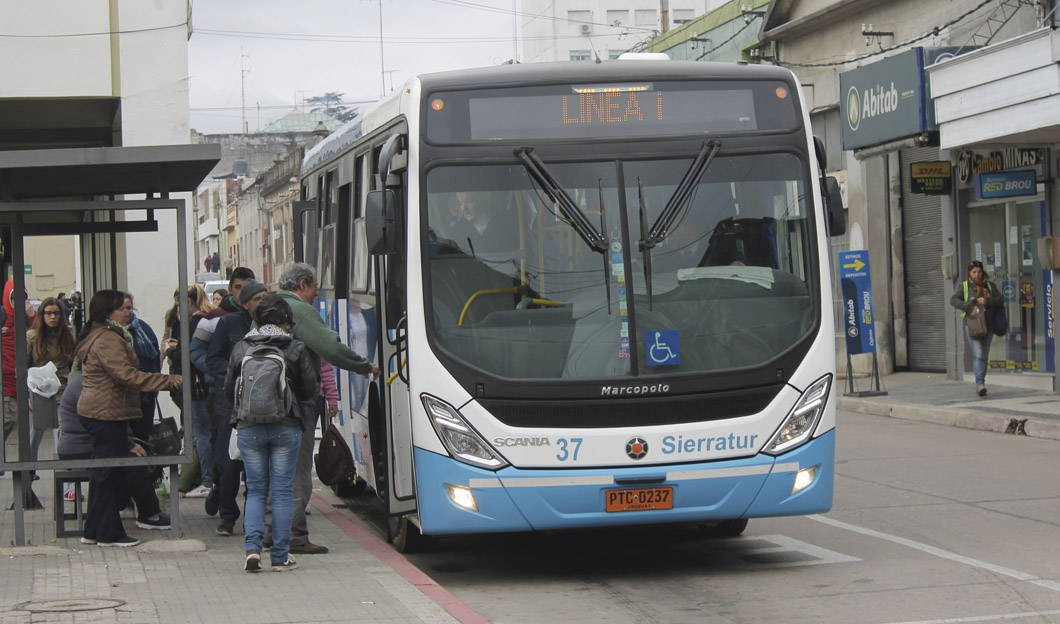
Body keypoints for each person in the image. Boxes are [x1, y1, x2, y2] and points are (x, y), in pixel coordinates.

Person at [275, 263, 379, 555]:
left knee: (276, 473)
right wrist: (364, 366)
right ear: (303, 284)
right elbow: (330, 349)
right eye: (314, 286)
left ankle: (271, 532)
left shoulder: (269, 308)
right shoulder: (301, 311)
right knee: (298, 472)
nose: (317, 293)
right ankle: (295, 536)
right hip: (297, 404)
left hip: (267, 405)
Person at [74, 290, 181, 547]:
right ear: (107, 313)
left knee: (106, 473)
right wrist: (169, 381)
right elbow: (127, 375)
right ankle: (109, 534)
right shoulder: (107, 339)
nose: (129, 312)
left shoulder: (107, 334)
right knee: (108, 474)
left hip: (106, 412)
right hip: (104, 413)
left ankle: (93, 531)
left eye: (131, 308)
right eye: (123, 308)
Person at [224, 294, 317, 572]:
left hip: (249, 426)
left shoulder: (242, 348)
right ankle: (280, 556)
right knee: (282, 491)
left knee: (255, 490)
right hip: (286, 427)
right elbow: (310, 390)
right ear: (286, 322)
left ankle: (252, 550)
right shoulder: (295, 347)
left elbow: (229, 390)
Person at [57, 371, 169, 532]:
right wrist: (128, 443)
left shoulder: (85, 380)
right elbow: (105, 423)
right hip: (81, 446)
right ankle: (148, 514)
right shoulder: (89, 385)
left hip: (83, 444)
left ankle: (119, 511)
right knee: (133, 461)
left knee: (127, 460)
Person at [205, 275, 269, 536]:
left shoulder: (274, 324)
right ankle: (227, 515)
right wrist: (240, 372)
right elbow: (213, 360)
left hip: (262, 407)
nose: (263, 303)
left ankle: (254, 521)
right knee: (228, 464)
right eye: (257, 299)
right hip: (229, 406)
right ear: (245, 304)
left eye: (266, 297)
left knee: (258, 466)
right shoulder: (227, 324)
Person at [162, 285, 215, 498]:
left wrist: (170, 350)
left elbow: (187, 355)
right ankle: (209, 479)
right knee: (205, 433)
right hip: (206, 386)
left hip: (196, 387)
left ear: (189, 302)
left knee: (200, 435)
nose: (177, 309)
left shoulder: (193, 322)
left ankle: (208, 480)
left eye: (179, 305)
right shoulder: (208, 318)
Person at [27, 297, 76, 463]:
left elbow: (74, 366)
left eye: (56, 313)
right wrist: (26, 396)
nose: (53, 317)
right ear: (42, 315)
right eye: (49, 313)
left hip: (62, 391)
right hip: (37, 393)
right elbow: (22, 368)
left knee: (62, 438)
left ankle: (67, 486)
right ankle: (29, 476)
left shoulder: (68, 336)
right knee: (33, 438)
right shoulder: (31, 337)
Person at [949, 260, 1003, 397]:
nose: (977, 274)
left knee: (983, 355)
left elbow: (1000, 300)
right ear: (969, 274)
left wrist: (987, 301)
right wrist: (969, 307)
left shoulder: (990, 286)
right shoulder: (965, 286)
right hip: (973, 325)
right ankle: (980, 385)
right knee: (978, 353)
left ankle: (981, 382)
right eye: (974, 272)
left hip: (988, 325)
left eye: (979, 271)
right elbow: (953, 299)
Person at [122, 294, 165, 443]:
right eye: (122, 309)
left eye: (128, 308)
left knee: (142, 437)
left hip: (145, 397)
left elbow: (154, 360)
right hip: (121, 399)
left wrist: (153, 389)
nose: (126, 312)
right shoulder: (111, 333)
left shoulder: (143, 329)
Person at [1, 279, 37, 453]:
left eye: (21, 297)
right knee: (8, 419)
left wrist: (32, 315)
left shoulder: (28, 317)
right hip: (6, 378)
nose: (17, 302)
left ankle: (27, 466)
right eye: (14, 297)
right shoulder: (2, 317)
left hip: (26, 378)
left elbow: (43, 336)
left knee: (28, 422)